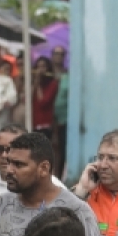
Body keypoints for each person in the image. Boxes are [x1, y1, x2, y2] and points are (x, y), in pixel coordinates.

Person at [52, 47, 69, 180]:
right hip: (48, 116)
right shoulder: (46, 72)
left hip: (63, 118)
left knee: (61, 149)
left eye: (61, 54)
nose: (58, 56)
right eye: (56, 53)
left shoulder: (67, 74)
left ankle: (58, 177)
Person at [31, 57, 59, 139]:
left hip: (44, 124)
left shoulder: (53, 84)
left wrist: (38, 83)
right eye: (38, 67)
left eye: (43, 66)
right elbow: (27, 99)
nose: (40, 70)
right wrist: (35, 82)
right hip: (33, 122)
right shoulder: (33, 83)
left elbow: (43, 102)